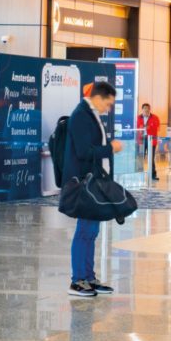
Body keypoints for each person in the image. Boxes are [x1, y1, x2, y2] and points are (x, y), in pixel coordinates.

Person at [65, 81, 120, 298]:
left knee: (92, 231)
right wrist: (110, 149)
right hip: (84, 182)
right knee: (84, 230)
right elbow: (83, 151)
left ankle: (88, 277)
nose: (109, 108)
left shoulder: (91, 115)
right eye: (108, 103)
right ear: (98, 97)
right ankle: (77, 280)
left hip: (95, 182)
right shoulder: (81, 115)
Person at [137, 103, 161, 181]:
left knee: (151, 158)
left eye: (148, 108)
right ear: (142, 109)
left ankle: (153, 175)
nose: (146, 110)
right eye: (145, 108)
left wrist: (149, 127)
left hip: (151, 141)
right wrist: (142, 127)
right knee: (140, 158)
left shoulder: (155, 117)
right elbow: (136, 128)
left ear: (150, 109)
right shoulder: (138, 118)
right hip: (141, 140)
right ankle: (139, 175)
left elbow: (157, 127)